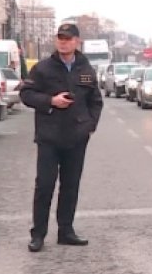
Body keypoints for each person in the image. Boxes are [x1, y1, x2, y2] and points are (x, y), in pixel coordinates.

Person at [20, 23, 103, 252]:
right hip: (49, 136)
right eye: (60, 38)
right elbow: (26, 94)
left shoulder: (86, 70)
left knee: (70, 186)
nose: (63, 42)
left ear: (77, 41)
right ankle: (38, 235)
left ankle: (66, 231)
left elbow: (95, 101)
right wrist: (50, 101)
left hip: (76, 137)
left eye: (68, 38)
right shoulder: (43, 68)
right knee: (44, 186)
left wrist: (90, 126)